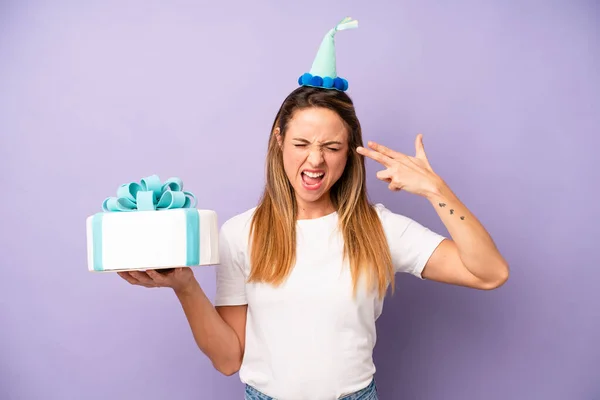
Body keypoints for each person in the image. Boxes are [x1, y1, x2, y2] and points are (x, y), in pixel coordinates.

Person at [117, 17, 509, 400]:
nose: (315, 161)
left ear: (350, 153)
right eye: (302, 144)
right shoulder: (241, 234)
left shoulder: (379, 229)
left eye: (332, 147)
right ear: (279, 141)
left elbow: (490, 273)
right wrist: (185, 286)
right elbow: (227, 360)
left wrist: (435, 190)